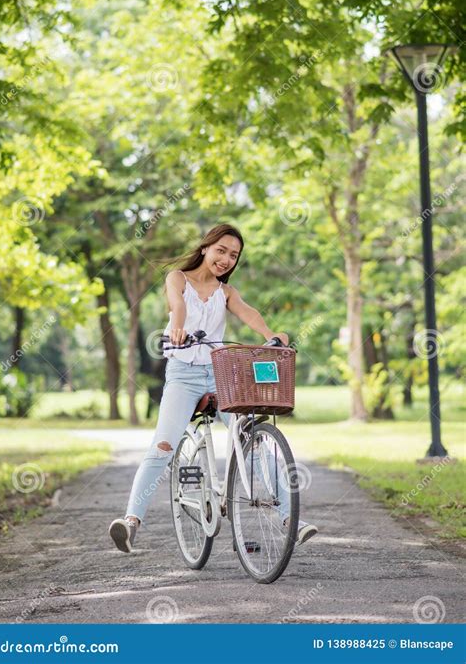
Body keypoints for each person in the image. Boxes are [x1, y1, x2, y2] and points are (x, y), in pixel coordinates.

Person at [108, 223, 318, 552]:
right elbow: (178, 306)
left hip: (222, 373)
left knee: (253, 438)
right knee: (163, 446)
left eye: (233, 255)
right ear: (206, 248)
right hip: (183, 374)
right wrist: (177, 329)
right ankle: (131, 521)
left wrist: (271, 335)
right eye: (221, 251)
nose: (226, 259)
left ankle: (290, 519)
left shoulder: (226, 292)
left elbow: (248, 313)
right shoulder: (178, 277)